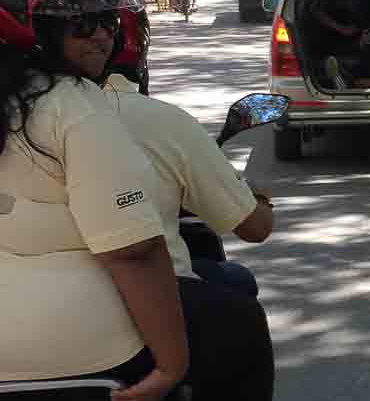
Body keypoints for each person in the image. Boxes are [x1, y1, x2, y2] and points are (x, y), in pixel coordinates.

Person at [0, 0, 279, 401]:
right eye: (79, 24)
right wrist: (168, 367)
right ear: (34, 30)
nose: (100, 35)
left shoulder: (16, 105)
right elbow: (133, 250)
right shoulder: (76, 108)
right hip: (90, 340)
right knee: (238, 324)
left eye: (105, 21)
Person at [95, 62, 274, 299]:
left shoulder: (40, 117)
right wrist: (260, 197)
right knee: (241, 286)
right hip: (155, 287)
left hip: (55, 291)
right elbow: (255, 227)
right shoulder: (162, 119)